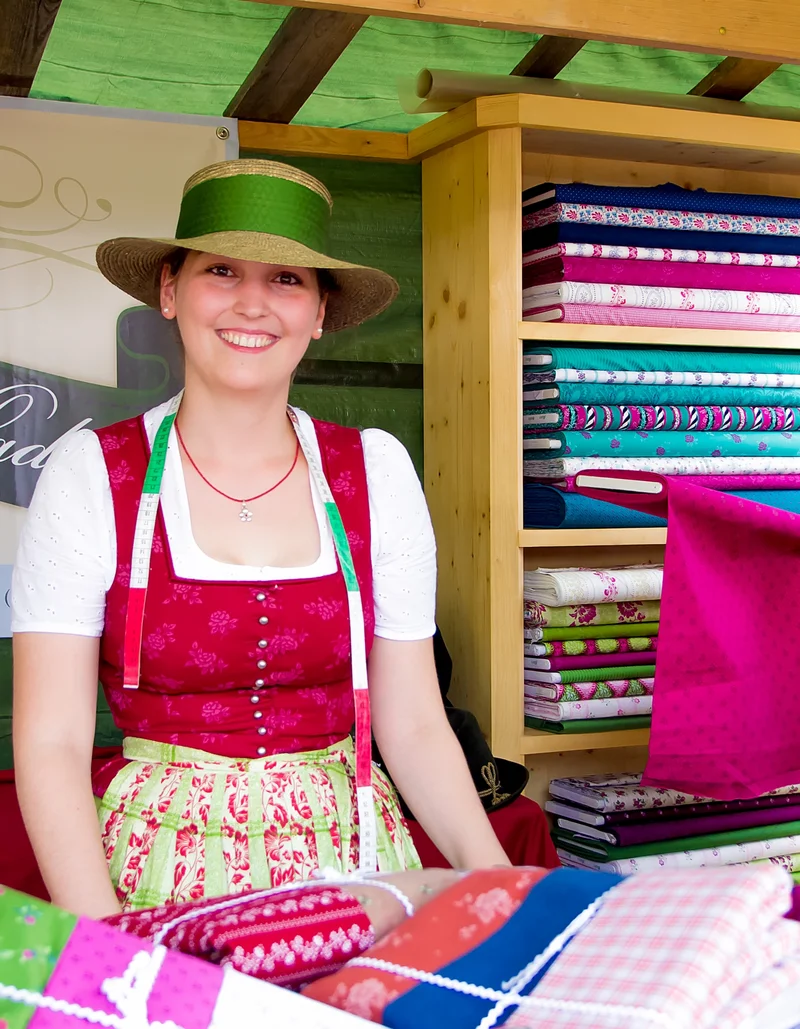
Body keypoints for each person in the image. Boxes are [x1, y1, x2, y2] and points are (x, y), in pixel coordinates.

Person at [11, 159, 509, 918]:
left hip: (351, 860)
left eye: (287, 279)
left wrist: (500, 884)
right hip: (157, 864)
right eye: (220, 270)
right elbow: (50, 737)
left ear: (319, 312)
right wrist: (105, 943)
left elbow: (411, 722)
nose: (252, 303)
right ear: (170, 292)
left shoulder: (375, 470)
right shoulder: (92, 473)